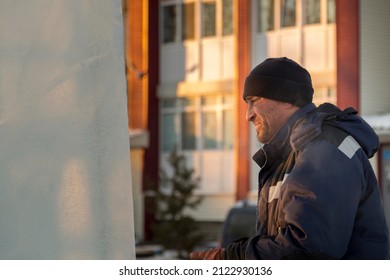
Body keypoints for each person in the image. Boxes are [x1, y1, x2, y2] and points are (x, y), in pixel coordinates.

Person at [190, 57, 390, 260]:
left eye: (254, 101)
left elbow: (307, 250)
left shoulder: (325, 148)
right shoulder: (288, 158)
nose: (248, 115)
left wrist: (230, 259)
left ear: (286, 99)